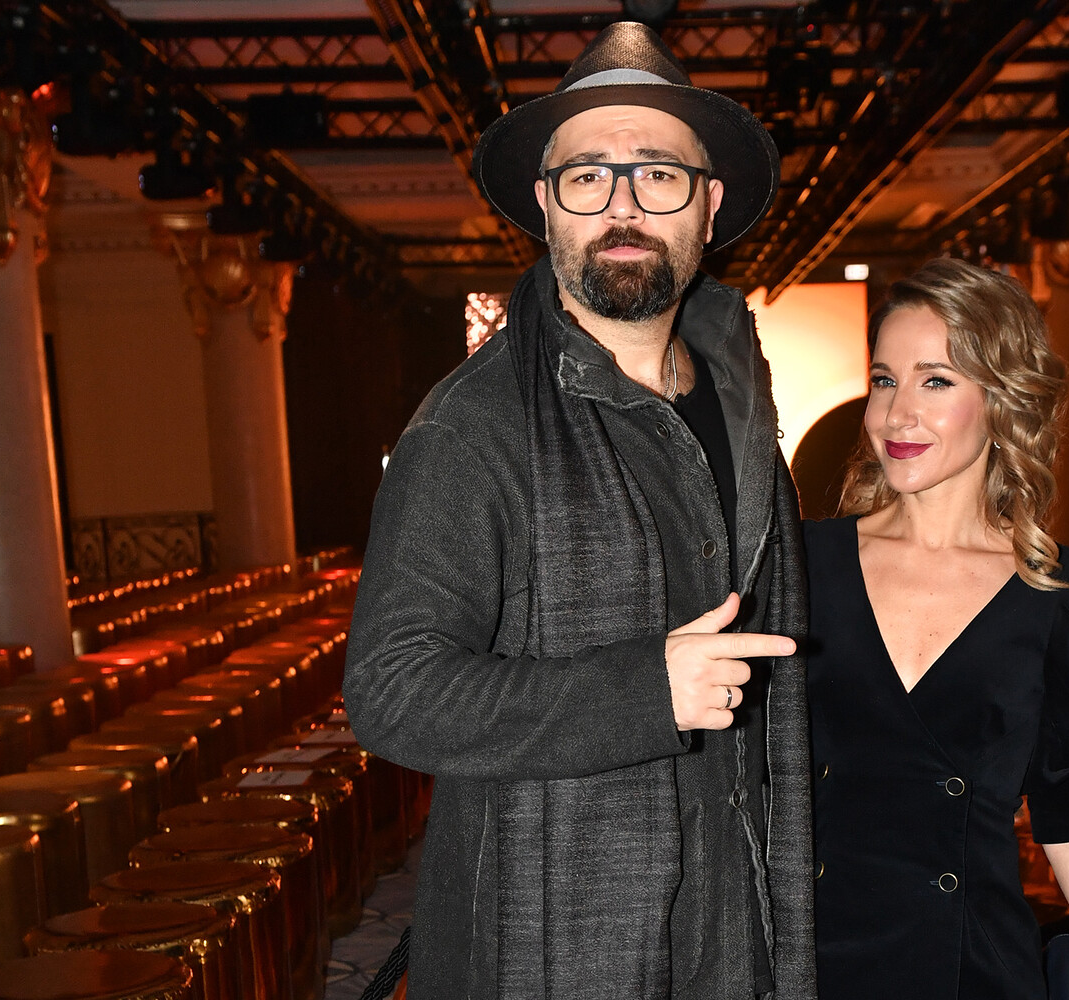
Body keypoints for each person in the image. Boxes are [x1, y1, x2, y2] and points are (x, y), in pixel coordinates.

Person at [342, 21, 816, 1000]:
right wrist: (646, 691)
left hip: (730, 935)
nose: (623, 206)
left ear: (709, 203)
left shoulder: (745, 413)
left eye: (658, 175)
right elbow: (391, 691)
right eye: (588, 177)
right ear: (545, 204)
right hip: (555, 951)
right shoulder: (470, 428)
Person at [803, 258, 1069, 1000]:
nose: (897, 414)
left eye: (935, 381)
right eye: (885, 379)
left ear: (1001, 399)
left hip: (973, 968)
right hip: (809, 960)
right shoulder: (801, 569)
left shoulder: (1067, 598)